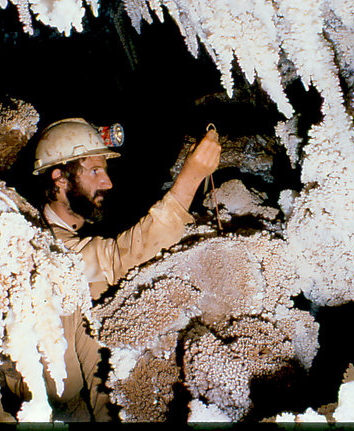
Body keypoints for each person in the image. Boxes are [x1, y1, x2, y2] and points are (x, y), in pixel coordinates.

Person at [14, 117, 221, 421]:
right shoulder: (41, 241)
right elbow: (118, 259)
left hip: (70, 389)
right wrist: (190, 178)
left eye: (105, 170)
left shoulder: (75, 230)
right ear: (60, 179)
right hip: (42, 390)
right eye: (95, 171)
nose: (107, 182)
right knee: (99, 290)